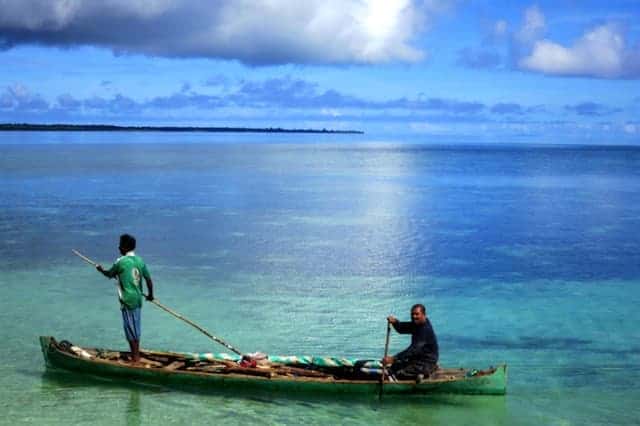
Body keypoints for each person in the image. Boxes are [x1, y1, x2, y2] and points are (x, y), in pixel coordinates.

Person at [96, 234, 154, 363]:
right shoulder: (140, 260)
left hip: (127, 300)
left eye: (120, 245)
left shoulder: (120, 262)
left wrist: (100, 269)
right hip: (138, 299)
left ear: (123, 247)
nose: (118, 247)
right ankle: (136, 355)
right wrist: (150, 295)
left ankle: (135, 358)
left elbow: (109, 274)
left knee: (130, 329)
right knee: (136, 328)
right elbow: (149, 280)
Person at [382, 303, 439, 381]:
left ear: (424, 315)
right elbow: (401, 329)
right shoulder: (417, 324)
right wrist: (395, 322)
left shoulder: (425, 330)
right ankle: (424, 371)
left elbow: (413, 350)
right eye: (412, 314)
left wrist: (393, 358)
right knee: (393, 367)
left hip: (426, 362)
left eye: (417, 314)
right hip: (417, 359)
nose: (414, 316)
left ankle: (426, 373)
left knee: (399, 373)